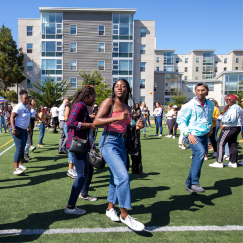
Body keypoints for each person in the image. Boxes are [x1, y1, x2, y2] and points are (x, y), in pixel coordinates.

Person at [93, 79, 145, 232]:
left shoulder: (128, 106)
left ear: (127, 90)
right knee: (123, 177)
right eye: (117, 86)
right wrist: (115, 117)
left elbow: (125, 127)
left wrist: (136, 127)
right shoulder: (109, 101)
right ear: (114, 89)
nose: (119, 88)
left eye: (123, 86)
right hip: (109, 142)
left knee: (115, 178)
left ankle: (110, 209)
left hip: (122, 144)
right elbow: (96, 122)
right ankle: (124, 215)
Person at [65, 86, 97, 215]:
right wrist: (90, 124)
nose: (95, 98)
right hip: (77, 145)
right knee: (82, 174)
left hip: (83, 145)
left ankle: (83, 194)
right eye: (93, 95)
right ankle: (70, 206)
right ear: (87, 96)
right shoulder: (79, 105)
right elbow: (70, 123)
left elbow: (90, 122)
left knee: (88, 170)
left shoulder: (83, 107)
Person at [177, 82, 214, 194]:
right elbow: (180, 120)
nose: (200, 92)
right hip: (191, 134)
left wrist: (211, 128)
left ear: (207, 91)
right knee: (200, 152)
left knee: (199, 158)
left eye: (203, 90)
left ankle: (189, 184)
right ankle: (195, 182)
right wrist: (188, 134)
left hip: (204, 135)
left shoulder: (211, 104)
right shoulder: (190, 105)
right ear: (195, 91)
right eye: (198, 90)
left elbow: (209, 118)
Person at [209, 95, 243, 168]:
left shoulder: (234, 108)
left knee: (220, 144)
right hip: (235, 128)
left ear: (235, 100)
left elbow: (231, 120)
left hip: (230, 128)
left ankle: (219, 162)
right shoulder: (237, 107)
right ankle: (233, 162)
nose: (227, 100)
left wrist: (220, 117)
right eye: (226, 99)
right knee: (232, 144)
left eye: (230, 99)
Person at [10, 89, 32, 175]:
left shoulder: (25, 107)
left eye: (28, 99)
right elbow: (12, 117)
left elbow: (26, 119)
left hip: (24, 130)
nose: (27, 100)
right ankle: (16, 169)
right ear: (21, 98)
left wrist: (28, 128)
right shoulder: (18, 106)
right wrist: (13, 128)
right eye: (25, 99)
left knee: (22, 148)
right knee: (19, 148)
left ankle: (20, 163)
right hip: (18, 130)